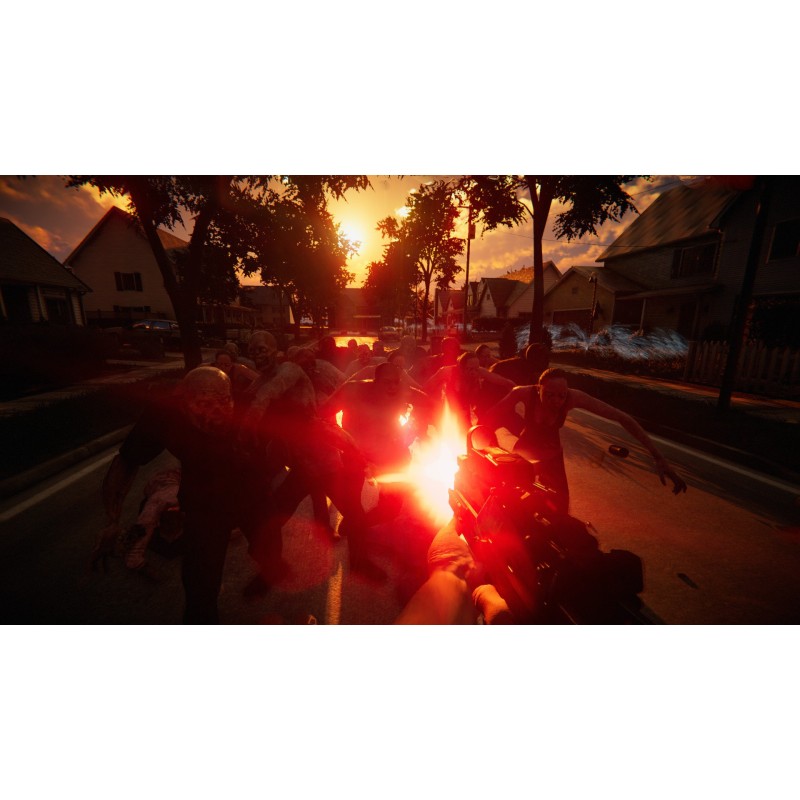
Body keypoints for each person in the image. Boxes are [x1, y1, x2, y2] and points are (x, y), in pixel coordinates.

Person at [92, 366, 282, 623]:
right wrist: (112, 520)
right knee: (200, 591)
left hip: (253, 497)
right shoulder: (165, 415)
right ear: (183, 404)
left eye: (224, 401)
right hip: (204, 505)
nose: (216, 413)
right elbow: (127, 461)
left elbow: (302, 428)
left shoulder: (249, 406)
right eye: (204, 404)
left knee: (270, 557)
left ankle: (269, 571)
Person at [483, 367, 687, 512]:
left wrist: (658, 457)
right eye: (549, 395)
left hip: (552, 456)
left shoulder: (574, 397)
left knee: (560, 510)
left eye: (561, 396)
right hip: (524, 453)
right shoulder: (523, 393)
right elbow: (489, 416)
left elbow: (623, 418)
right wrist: (482, 444)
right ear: (538, 388)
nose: (556, 401)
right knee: (512, 504)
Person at [424, 350, 514, 433]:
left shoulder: (479, 371)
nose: (474, 372)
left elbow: (503, 381)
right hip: (447, 411)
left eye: (476, 368)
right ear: (461, 367)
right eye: (470, 369)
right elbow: (426, 387)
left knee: (470, 433)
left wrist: (516, 389)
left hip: (466, 412)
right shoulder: (448, 372)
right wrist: (433, 406)